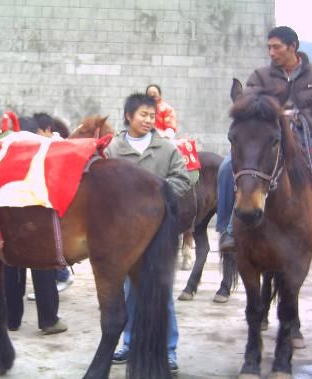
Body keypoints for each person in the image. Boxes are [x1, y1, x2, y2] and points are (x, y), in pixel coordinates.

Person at [218, 26, 312, 252]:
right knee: (225, 168)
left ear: (293, 47)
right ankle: (227, 230)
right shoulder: (260, 76)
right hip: (269, 136)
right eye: (269, 47)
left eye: (276, 47)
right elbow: (248, 104)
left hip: (306, 134)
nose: (271, 52)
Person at [107, 93, 191, 374]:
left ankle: (168, 350)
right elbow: (102, 185)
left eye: (152, 116)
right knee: (130, 291)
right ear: (128, 116)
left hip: (159, 232)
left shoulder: (166, 148)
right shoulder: (114, 149)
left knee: (162, 291)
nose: (148, 120)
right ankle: (130, 343)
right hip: (126, 234)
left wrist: (157, 194)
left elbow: (182, 179)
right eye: (142, 114)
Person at [4, 115, 68, 335]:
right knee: (43, 269)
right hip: (39, 221)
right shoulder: (46, 153)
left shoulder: (4, 155)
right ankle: (49, 320)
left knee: (11, 268)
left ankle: (11, 320)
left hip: (10, 220)